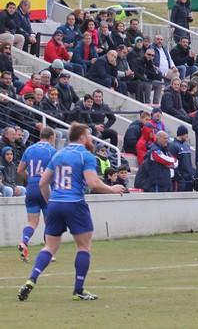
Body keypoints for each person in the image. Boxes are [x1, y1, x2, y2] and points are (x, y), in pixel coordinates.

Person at [18, 123, 126, 302]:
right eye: (89, 136)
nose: (91, 139)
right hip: (75, 203)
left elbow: (42, 182)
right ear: (82, 136)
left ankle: (31, 279)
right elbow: (93, 184)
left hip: (55, 203)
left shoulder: (58, 154)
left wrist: (50, 201)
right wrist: (112, 188)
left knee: (50, 247)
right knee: (83, 247)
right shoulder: (86, 156)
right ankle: (78, 290)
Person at [168, 125, 194, 192]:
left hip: (189, 179)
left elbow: (189, 163)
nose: (187, 136)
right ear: (182, 134)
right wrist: (179, 178)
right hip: (180, 180)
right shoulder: (173, 146)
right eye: (186, 134)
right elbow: (173, 163)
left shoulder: (186, 146)